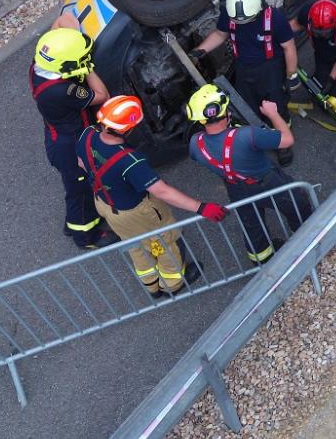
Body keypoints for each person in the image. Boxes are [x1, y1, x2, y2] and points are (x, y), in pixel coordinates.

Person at [76, 96, 227, 297]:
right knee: (165, 244)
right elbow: (161, 191)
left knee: (135, 245)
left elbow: (81, 164)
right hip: (137, 212)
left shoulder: (87, 135)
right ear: (128, 128)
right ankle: (172, 285)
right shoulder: (130, 161)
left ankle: (151, 285)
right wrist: (201, 207)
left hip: (105, 204)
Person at [185, 84, 314, 265]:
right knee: (297, 204)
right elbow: (287, 140)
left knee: (252, 225)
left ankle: (263, 259)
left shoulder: (194, 144)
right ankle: (308, 238)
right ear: (224, 112)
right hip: (268, 183)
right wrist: (273, 113)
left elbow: (214, 149)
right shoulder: (247, 135)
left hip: (236, 188)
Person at [31, 13, 111, 250]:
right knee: (80, 191)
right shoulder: (62, 90)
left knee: (77, 188)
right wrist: (87, 66)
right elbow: (101, 95)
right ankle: (85, 236)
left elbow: (62, 20)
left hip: (59, 136)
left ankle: (74, 222)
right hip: (70, 145)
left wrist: (72, 38)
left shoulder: (39, 65)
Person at [193, 0, 299, 161]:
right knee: (247, 107)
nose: (240, 23)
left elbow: (289, 47)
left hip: (270, 69)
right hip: (243, 68)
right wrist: (200, 51)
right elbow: (220, 34)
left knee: (277, 108)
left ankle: (281, 144)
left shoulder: (274, 18)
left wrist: (291, 75)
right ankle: (256, 138)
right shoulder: (230, 13)